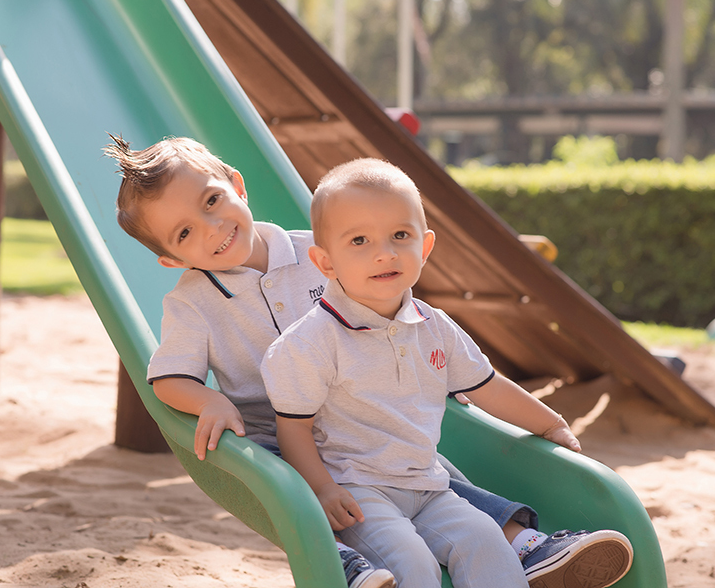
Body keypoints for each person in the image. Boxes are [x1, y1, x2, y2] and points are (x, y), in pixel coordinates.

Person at [104, 136, 631, 587]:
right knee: (301, 490)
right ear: (171, 258)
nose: (211, 227)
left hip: (357, 412)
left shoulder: (323, 251)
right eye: (185, 233)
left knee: (421, 465)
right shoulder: (192, 302)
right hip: (275, 430)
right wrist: (209, 399)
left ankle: (516, 542)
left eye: (212, 201)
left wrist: (431, 365)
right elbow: (169, 378)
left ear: (237, 186)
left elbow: (390, 309)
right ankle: (342, 557)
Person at [260, 158, 634, 588]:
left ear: (426, 246)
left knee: (487, 542)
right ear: (325, 263)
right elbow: (293, 428)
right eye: (359, 240)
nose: (385, 252)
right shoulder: (312, 342)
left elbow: (488, 387)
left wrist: (549, 423)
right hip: (358, 490)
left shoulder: (434, 325)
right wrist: (323, 489)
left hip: (428, 485)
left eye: (401, 235)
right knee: (413, 565)